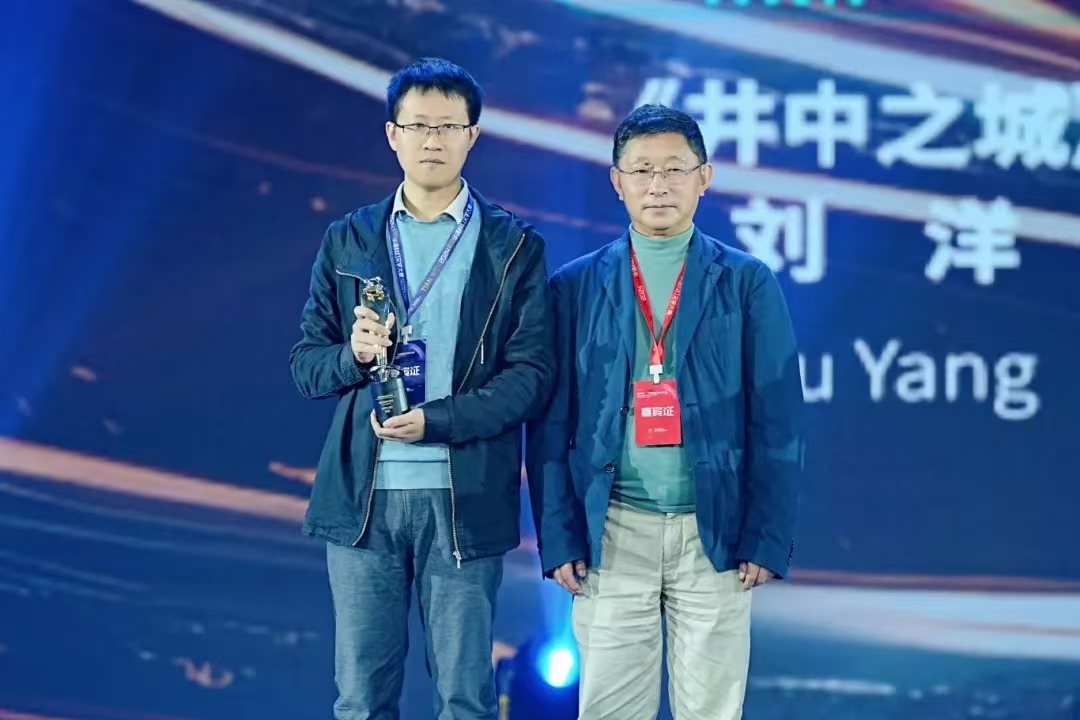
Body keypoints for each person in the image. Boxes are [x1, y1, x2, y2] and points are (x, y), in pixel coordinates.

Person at [289, 57, 554, 720]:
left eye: (448, 126)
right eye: (417, 125)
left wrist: (438, 421)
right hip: (364, 498)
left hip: (464, 495)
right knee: (361, 698)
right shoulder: (349, 239)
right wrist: (354, 355)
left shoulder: (512, 246)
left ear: (473, 135)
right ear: (392, 135)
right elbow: (307, 366)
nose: (432, 140)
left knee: (464, 698)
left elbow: (530, 377)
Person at [526, 104, 804, 720]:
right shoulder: (574, 286)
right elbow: (549, 424)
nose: (658, 184)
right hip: (611, 529)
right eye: (642, 169)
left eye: (675, 168)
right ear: (616, 180)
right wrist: (559, 535)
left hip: (716, 533)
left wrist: (766, 535)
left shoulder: (747, 281)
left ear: (704, 178)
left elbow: (779, 421)